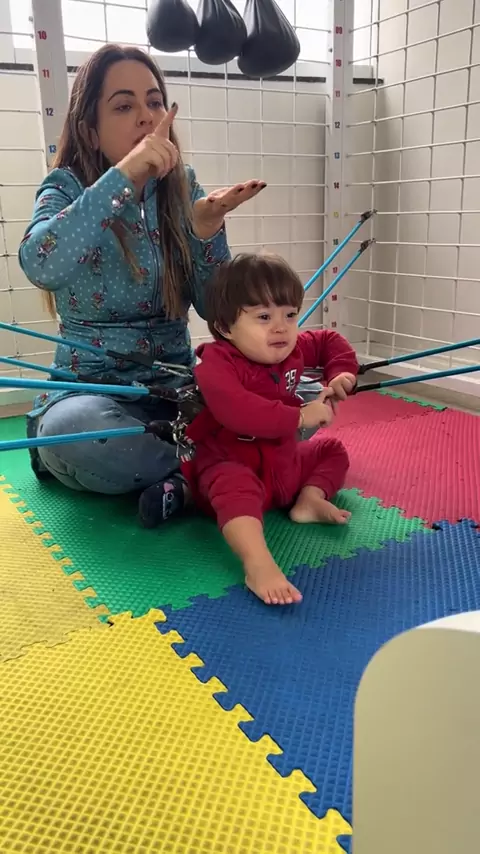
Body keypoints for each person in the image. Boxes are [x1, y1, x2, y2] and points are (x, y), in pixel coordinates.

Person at [19, 43, 265, 525]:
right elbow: (41, 264)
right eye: (123, 106)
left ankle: (189, 478)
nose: (146, 116)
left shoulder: (182, 185)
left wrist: (207, 232)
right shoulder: (65, 186)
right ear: (89, 130)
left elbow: (218, 311)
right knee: (75, 433)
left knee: (293, 397)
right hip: (93, 397)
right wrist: (124, 175)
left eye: (154, 102)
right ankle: (224, 466)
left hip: (178, 393)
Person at [181, 253, 359, 606]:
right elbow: (238, 410)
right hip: (233, 463)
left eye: (289, 315)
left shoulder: (292, 349)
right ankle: (258, 564)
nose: (281, 328)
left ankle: (309, 500)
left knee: (331, 451)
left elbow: (328, 341)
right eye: (264, 317)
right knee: (234, 489)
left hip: (284, 463)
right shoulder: (216, 363)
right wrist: (300, 417)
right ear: (226, 327)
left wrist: (341, 373)